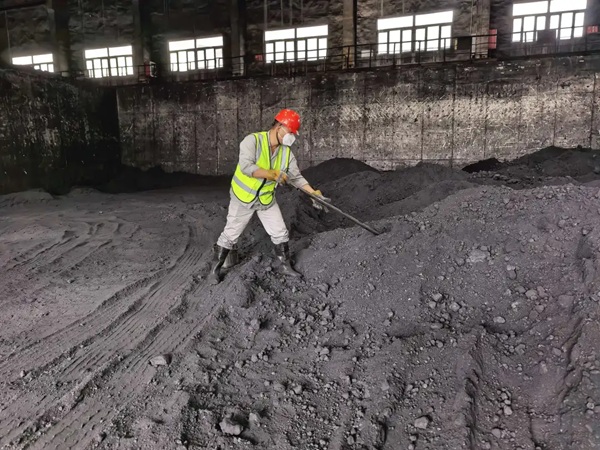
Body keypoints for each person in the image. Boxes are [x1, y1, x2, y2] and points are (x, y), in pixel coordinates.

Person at [209, 109, 327, 284]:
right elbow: (246, 167)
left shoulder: (286, 153)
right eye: (290, 132)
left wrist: (313, 193)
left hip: (266, 199)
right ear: (279, 126)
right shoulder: (253, 141)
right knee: (231, 234)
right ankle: (215, 270)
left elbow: (296, 178)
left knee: (280, 232)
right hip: (243, 197)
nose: (291, 138)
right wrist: (272, 174)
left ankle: (285, 266)